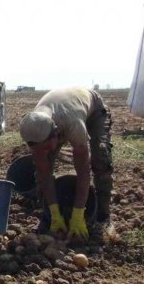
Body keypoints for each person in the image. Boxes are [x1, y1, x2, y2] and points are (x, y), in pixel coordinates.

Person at [19, 87, 113, 240]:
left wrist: (77, 214)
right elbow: (44, 172)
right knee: (41, 170)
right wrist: (56, 214)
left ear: (56, 133)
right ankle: (49, 215)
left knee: (101, 158)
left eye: (49, 146)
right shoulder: (34, 130)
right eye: (40, 149)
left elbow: (83, 170)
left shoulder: (72, 123)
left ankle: (103, 216)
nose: (48, 150)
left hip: (93, 111)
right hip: (63, 111)